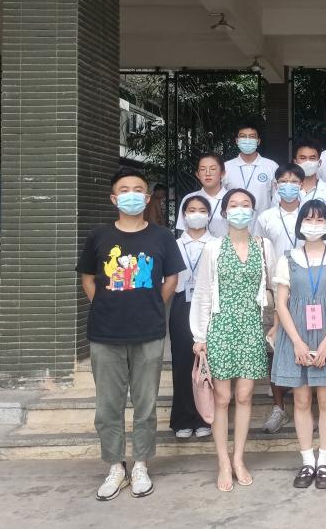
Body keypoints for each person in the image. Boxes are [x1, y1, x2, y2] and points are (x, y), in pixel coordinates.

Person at [76, 168, 185, 501]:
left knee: (145, 404)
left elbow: (171, 279)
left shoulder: (162, 237)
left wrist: (149, 305)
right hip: (105, 334)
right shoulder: (99, 236)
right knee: (108, 406)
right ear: (114, 198)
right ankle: (115, 466)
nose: (132, 194)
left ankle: (140, 464)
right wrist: (107, 305)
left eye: (138, 189)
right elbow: (88, 279)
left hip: (149, 332)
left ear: (147, 198)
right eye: (124, 190)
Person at [189, 188, 276, 492]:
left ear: (253, 210)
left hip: (251, 327)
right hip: (221, 327)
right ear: (224, 212)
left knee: (245, 396)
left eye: (246, 205)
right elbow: (202, 292)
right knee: (222, 398)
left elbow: (275, 287)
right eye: (234, 205)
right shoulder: (213, 248)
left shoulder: (264, 246)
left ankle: (239, 458)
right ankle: (223, 462)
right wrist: (199, 335)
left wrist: (276, 324)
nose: (240, 209)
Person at [271, 200, 326, 491]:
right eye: (308, 219)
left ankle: (324, 462)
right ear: (300, 224)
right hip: (296, 335)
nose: (314, 224)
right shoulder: (288, 258)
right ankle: (307, 461)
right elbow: (281, 303)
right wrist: (296, 342)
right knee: (301, 400)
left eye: (320, 219)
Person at [256, 162, 305, 434]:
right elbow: (259, 252)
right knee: (276, 346)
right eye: (283, 181)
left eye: (294, 181)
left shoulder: (311, 213)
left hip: (307, 288)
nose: (289, 185)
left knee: (306, 342)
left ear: (302, 185)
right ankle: (279, 408)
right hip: (276, 288)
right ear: (276, 185)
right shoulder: (266, 217)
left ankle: (303, 406)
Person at [169, 195, 215, 439]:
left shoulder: (217, 244)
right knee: (183, 362)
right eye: (191, 210)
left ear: (209, 215)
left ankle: (205, 417)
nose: (196, 214)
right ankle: (183, 419)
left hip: (210, 306)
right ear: (184, 215)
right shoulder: (174, 245)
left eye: (202, 210)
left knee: (208, 362)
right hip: (182, 304)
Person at [223, 118, 279, 214]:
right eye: (243, 136)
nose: (247, 140)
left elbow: (277, 198)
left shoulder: (271, 166)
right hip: (234, 221)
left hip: (262, 221)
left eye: (252, 136)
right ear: (237, 141)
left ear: (258, 141)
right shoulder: (226, 167)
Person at [274, 138, 326, 214]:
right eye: (303, 158)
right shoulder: (282, 191)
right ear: (295, 162)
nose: (307, 162)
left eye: (312, 158)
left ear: (319, 162)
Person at [175, 153, 229, 238]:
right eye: (203, 169)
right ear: (198, 174)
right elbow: (182, 230)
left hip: (225, 245)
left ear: (222, 173)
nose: (208, 173)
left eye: (213, 169)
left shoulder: (232, 199)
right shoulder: (189, 199)